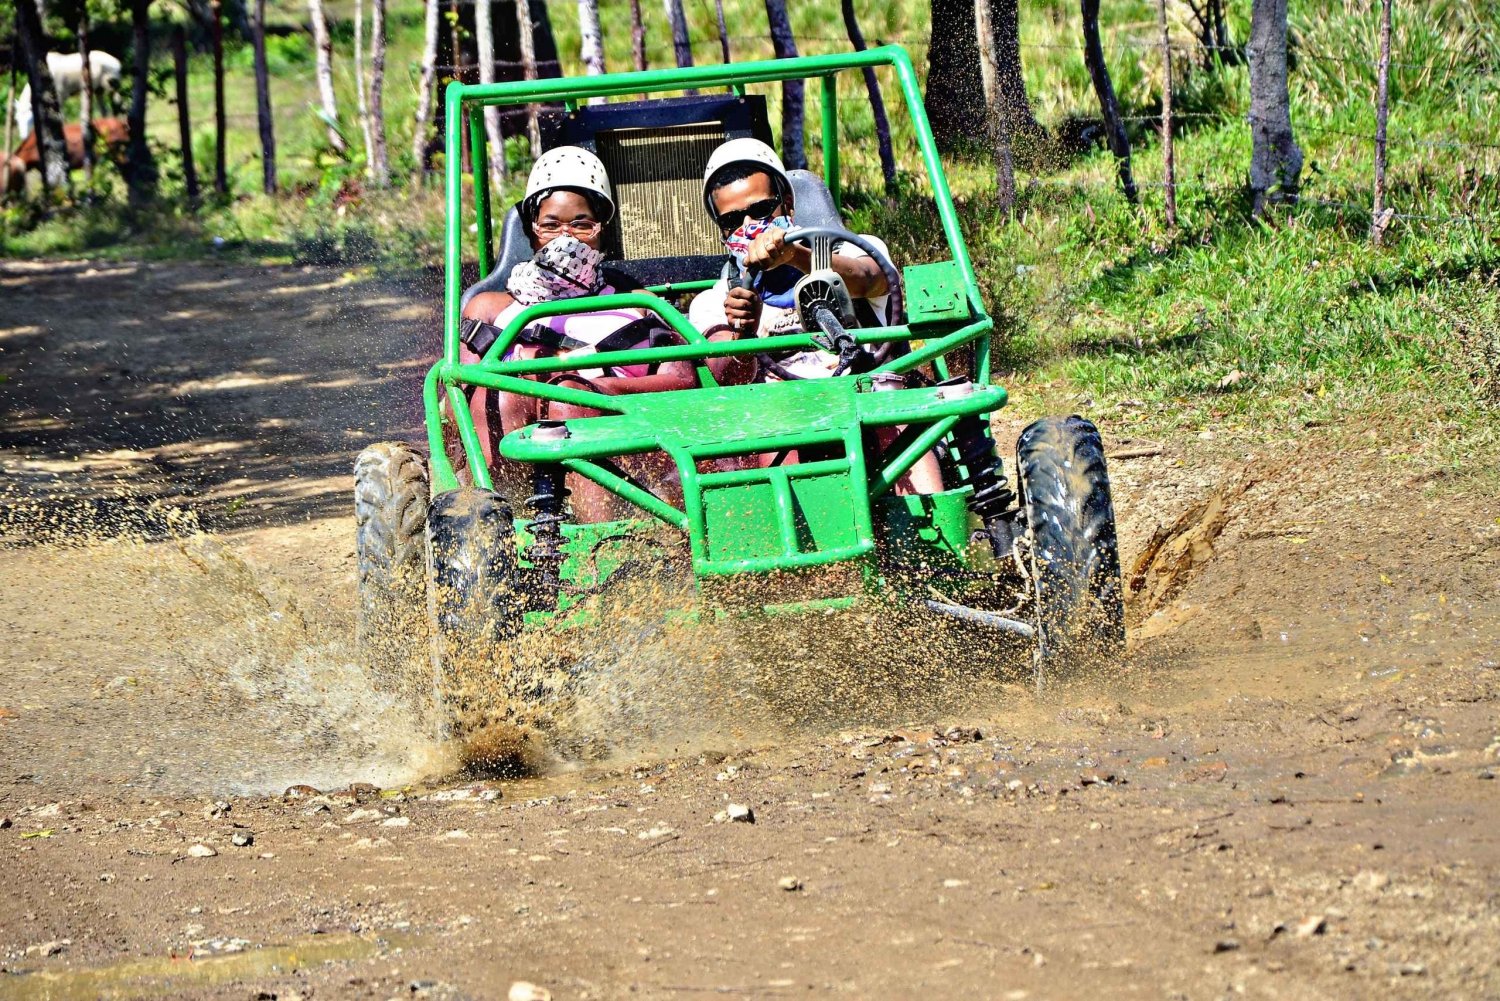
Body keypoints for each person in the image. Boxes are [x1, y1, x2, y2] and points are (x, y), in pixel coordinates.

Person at [689, 138, 943, 492]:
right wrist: (742, 332)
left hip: (868, 398)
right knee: (774, 429)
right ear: (721, 229)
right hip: (781, 419)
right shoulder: (717, 299)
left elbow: (875, 279)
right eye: (732, 219)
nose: (748, 225)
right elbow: (724, 376)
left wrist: (795, 255)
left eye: (761, 210)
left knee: (891, 411)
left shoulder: (853, 250)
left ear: (787, 204)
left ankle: (938, 532)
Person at [459, 146, 696, 516]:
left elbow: (683, 380)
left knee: (573, 400)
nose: (565, 238)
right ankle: (503, 525)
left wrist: (600, 391)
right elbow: (458, 396)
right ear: (532, 230)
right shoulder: (490, 308)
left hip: (616, 450)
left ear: (602, 228)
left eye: (581, 224)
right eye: (551, 224)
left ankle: (597, 549)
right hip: (509, 450)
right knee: (500, 397)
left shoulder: (638, 304)